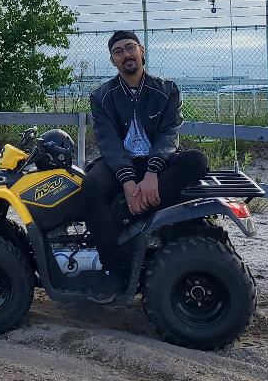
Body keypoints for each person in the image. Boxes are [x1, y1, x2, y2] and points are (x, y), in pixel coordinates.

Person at [80, 29, 208, 302]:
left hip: (156, 164)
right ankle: (114, 272)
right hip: (121, 163)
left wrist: (152, 173)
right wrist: (128, 182)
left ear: (142, 51)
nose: (126, 54)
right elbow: (109, 143)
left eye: (130, 48)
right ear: (112, 60)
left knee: (196, 160)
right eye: (118, 51)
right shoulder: (102, 97)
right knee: (89, 186)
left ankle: (127, 215)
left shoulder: (166, 90)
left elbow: (169, 135)